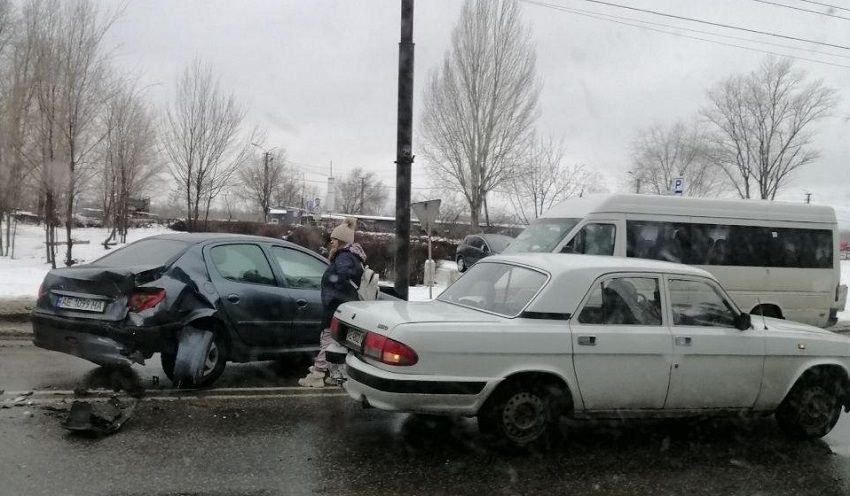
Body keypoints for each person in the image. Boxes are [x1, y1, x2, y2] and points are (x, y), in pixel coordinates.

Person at [298, 217, 366, 388]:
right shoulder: (350, 257)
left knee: (327, 340)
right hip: (342, 306)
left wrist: (333, 296)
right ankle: (336, 375)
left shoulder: (344, 257)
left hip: (336, 306)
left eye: (335, 239)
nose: (331, 241)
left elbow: (341, 278)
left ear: (342, 240)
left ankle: (317, 374)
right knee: (337, 342)